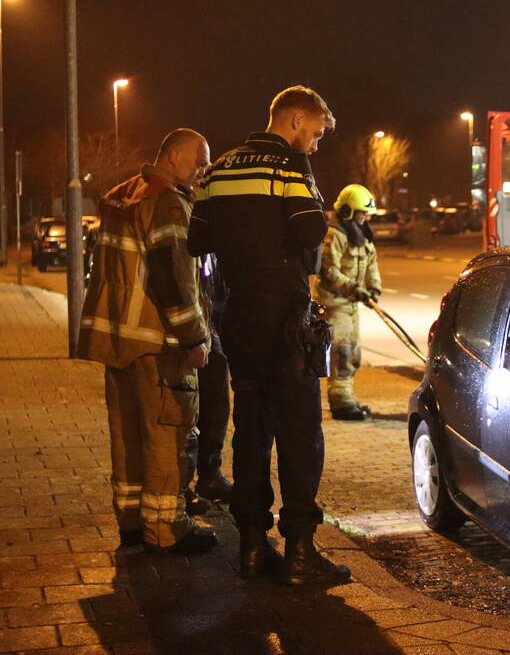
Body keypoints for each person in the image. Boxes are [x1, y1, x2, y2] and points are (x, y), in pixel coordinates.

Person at [187, 85, 349, 585]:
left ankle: (253, 549)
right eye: (316, 134)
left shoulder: (219, 170)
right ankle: (300, 551)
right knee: (301, 433)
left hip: (237, 314)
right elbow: (308, 233)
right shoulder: (289, 169)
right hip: (286, 316)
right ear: (295, 120)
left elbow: (197, 240)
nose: (316, 146)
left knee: (251, 428)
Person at [78, 128, 216, 554]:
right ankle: (166, 529)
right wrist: (194, 336)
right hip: (158, 342)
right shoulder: (167, 203)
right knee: (165, 433)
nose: (203, 170)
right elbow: (171, 278)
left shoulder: (122, 195)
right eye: (200, 160)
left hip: (118, 339)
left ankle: (132, 523)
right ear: (174, 157)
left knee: (127, 434)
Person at [316, 184, 382, 421]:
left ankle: (348, 396)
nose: (364, 219)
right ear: (347, 212)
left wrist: (373, 287)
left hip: (351, 305)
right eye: (361, 214)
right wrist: (353, 289)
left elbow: (371, 263)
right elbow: (329, 269)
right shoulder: (335, 235)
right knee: (341, 351)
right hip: (336, 305)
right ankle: (341, 402)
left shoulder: (361, 235)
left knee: (353, 352)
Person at [181, 250, 233, 506]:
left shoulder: (216, 233)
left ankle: (209, 475)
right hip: (191, 334)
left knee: (216, 404)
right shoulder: (185, 222)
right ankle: (182, 485)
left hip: (211, 329)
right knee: (187, 412)